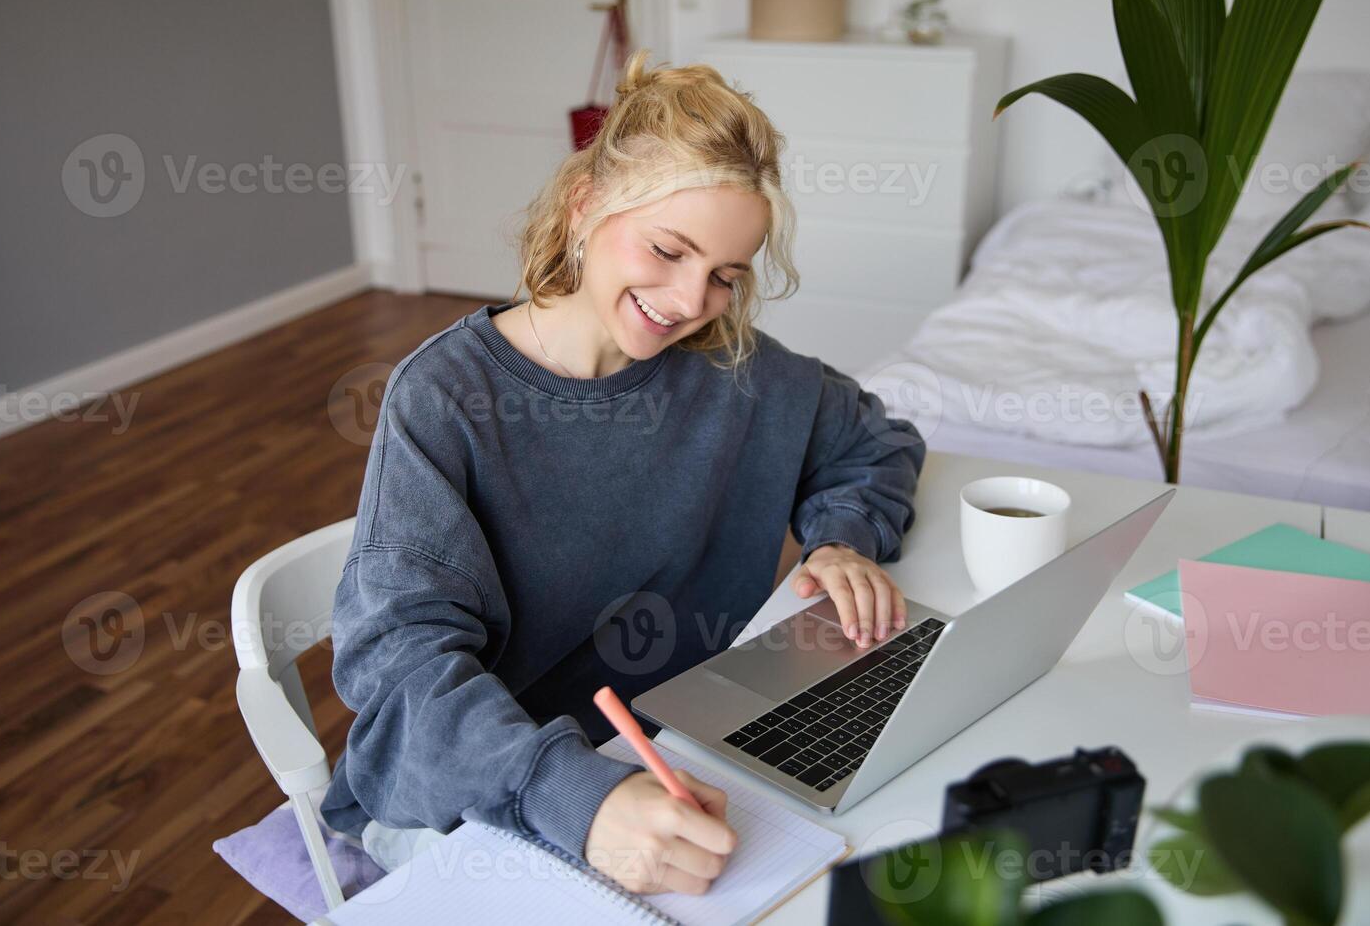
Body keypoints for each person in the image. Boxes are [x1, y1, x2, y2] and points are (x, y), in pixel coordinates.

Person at [320, 48, 926, 896]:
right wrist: (572, 796)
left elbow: (878, 443)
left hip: (680, 748)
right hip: (485, 787)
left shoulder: (735, 369)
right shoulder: (449, 396)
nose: (689, 302)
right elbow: (401, 672)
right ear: (583, 207)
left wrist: (842, 542)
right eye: (668, 250)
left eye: (724, 276)